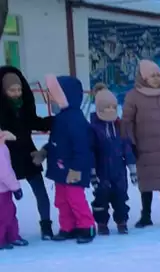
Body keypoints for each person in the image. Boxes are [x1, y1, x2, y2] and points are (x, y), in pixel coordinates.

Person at [122, 59, 160, 228]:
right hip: (144, 148)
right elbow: (127, 122)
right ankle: (146, 215)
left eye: (158, 75)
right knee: (147, 182)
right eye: (152, 76)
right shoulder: (133, 96)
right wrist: (131, 144)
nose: (156, 79)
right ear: (143, 78)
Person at [0, 66, 54, 240]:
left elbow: (35, 122)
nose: (16, 93)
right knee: (4, 198)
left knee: (40, 191)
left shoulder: (25, 107)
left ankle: (46, 225)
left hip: (28, 154)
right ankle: (6, 230)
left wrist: (54, 122)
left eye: (19, 89)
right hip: (6, 158)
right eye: (12, 90)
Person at [42, 74, 96, 244]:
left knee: (75, 198)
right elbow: (56, 142)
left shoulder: (75, 119)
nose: (50, 98)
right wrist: (44, 151)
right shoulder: (61, 117)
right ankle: (68, 227)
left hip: (73, 169)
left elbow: (82, 147)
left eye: (53, 94)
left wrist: (77, 168)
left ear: (64, 96)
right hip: (60, 169)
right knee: (62, 200)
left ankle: (86, 226)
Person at [90, 89, 136, 235]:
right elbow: (90, 151)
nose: (110, 110)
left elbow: (127, 148)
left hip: (119, 171)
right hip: (101, 170)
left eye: (113, 107)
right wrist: (92, 172)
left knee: (120, 197)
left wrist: (133, 169)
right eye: (106, 107)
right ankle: (102, 223)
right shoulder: (93, 128)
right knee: (101, 198)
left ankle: (122, 221)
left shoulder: (120, 126)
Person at [0, 130, 27, 250]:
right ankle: (3, 238)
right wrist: (15, 187)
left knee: (9, 213)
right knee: (5, 215)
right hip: (2, 190)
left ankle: (12, 236)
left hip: (4, 189)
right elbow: (4, 172)